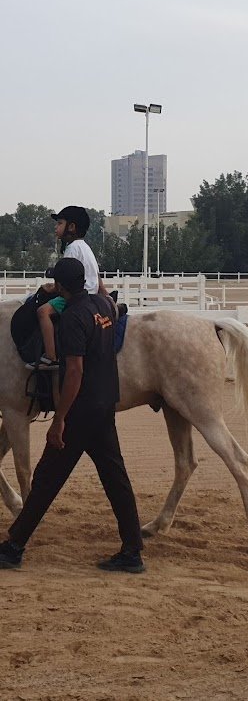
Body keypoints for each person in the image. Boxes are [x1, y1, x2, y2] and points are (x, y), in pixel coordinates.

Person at [0, 257, 145, 573]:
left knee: (46, 479)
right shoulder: (103, 306)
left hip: (80, 410)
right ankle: (133, 552)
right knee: (116, 478)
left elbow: (74, 371)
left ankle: (13, 547)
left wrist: (59, 419)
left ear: (60, 286)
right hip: (105, 403)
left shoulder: (71, 319)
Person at [31, 205, 108, 369]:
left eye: (59, 223)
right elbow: (97, 276)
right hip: (92, 296)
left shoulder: (72, 249)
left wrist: (50, 288)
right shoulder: (85, 247)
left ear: (71, 227)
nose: (56, 227)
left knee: (42, 312)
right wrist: (106, 296)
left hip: (76, 296)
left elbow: (66, 281)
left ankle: (51, 356)